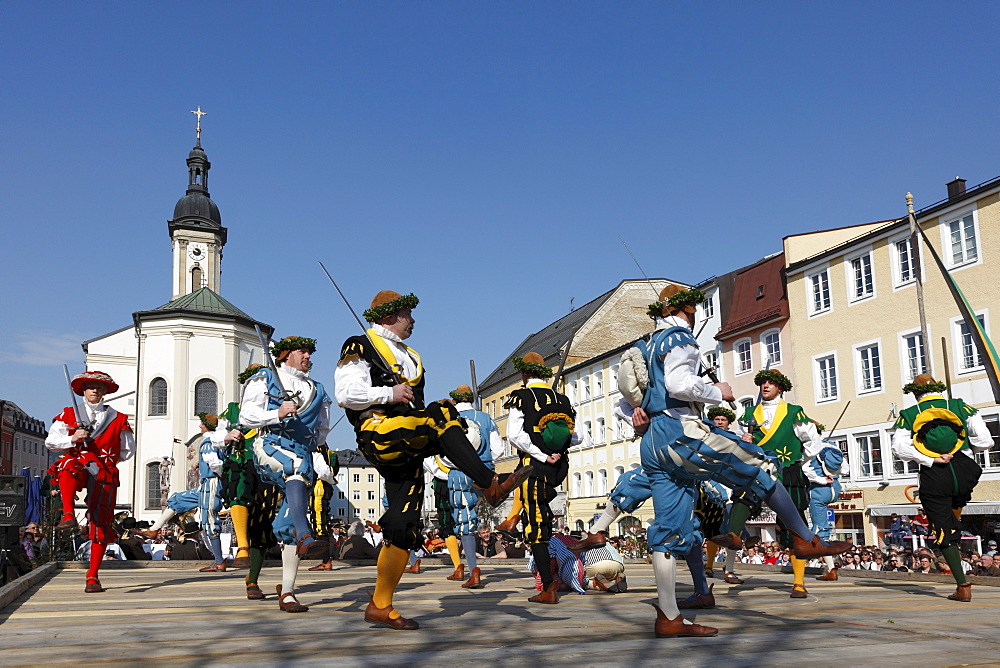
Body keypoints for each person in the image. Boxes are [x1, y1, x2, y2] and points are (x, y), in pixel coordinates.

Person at [631, 286, 848, 638]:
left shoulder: (644, 345)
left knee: (666, 530)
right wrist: (719, 392)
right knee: (761, 467)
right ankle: (805, 538)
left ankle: (669, 616)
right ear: (689, 309)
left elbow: (628, 400)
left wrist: (637, 420)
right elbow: (677, 382)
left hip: (652, 439)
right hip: (681, 431)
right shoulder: (680, 338)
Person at [335, 290, 527, 629]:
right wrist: (388, 393)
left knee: (403, 524)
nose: (413, 320)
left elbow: (416, 407)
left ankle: (380, 604)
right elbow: (346, 395)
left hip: (406, 439)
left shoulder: (412, 357)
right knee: (440, 414)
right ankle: (489, 485)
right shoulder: (360, 344)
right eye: (408, 314)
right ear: (388, 316)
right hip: (377, 432)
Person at [723, 368, 835, 599]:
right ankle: (733, 538)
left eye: (771, 383)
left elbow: (813, 442)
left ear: (780, 388)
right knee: (741, 500)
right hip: (755, 467)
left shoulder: (794, 412)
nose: (765, 386)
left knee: (794, 523)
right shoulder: (750, 413)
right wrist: (743, 440)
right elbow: (740, 443)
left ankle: (799, 583)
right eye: (763, 383)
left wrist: (797, 461)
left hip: (787, 471)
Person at [241, 336, 333, 613]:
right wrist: (277, 413)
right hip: (270, 444)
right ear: (285, 355)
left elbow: (321, 430)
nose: (307, 356)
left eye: (309, 351)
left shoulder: (318, 389)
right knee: (295, 466)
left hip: (302, 454)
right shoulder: (266, 378)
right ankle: (306, 534)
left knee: (289, 524)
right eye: (302, 351)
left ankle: (288, 592)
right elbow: (246, 416)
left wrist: (316, 452)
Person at [891, 374, 992, 602]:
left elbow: (899, 448)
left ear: (915, 393)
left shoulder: (909, 414)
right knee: (954, 509)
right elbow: (986, 441)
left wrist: (932, 459)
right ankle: (954, 525)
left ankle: (962, 585)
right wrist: (961, 450)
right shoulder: (959, 406)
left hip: (935, 474)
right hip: (965, 470)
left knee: (942, 531)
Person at [45, 370, 135, 593]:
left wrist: (106, 457)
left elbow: (128, 450)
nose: (95, 390)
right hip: (78, 462)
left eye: (100, 387)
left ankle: (92, 576)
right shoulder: (67, 415)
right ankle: (68, 514)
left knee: (100, 523)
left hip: (103, 469)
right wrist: (72, 438)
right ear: (83, 391)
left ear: (105, 391)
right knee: (67, 466)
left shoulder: (118, 418)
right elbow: (51, 442)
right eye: (91, 387)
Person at [505, 351, 580, 605]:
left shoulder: (521, 397)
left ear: (524, 373)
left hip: (534, 470)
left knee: (536, 528)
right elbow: (577, 437)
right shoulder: (563, 399)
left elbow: (515, 436)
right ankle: (550, 579)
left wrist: (541, 454)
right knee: (543, 524)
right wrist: (557, 451)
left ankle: (548, 587)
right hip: (559, 469)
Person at [139, 412, 231, 572]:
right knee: (177, 500)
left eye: (201, 423)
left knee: (209, 522)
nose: (199, 425)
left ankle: (219, 562)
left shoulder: (208, 442)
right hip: (206, 485)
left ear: (206, 426)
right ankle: (154, 530)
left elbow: (216, 464)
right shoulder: (211, 441)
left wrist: (221, 476)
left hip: (211, 484)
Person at [443, 384, 504, 588]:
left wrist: (463, 462)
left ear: (455, 399)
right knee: (483, 514)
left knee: (464, 520)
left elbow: (443, 456)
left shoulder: (448, 419)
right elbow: (498, 449)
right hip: (484, 471)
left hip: (460, 473)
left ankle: (473, 570)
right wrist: (481, 462)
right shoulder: (486, 418)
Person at [803, 444, 846, 581]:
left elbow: (806, 470)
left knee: (819, 530)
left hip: (819, 492)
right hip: (835, 488)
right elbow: (845, 469)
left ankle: (830, 567)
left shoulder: (812, 447)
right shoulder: (834, 448)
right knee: (823, 529)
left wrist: (821, 479)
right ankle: (830, 565)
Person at [306, 445, 339, 571]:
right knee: (323, 523)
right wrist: (332, 480)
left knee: (320, 524)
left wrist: (330, 479)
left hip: (318, 488)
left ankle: (326, 561)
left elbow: (323, 471)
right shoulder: (332, 454)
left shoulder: (317, 452)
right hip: (325, 488)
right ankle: (326, 560)